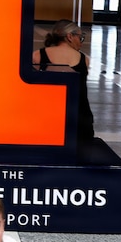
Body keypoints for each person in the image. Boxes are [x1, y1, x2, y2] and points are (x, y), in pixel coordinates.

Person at [32, 19, 94, 154]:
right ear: (69, 36)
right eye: (80, 37)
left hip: (47, 117)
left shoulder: (38, 56)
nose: (81, 42)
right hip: (79, 117)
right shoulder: (84, 60)